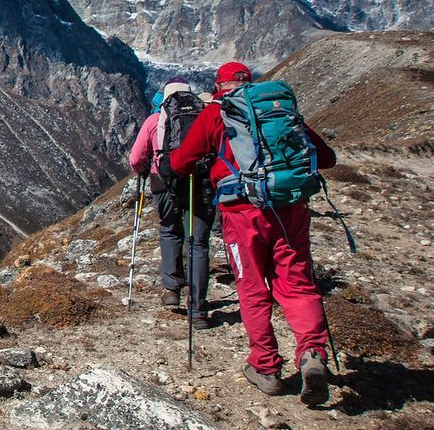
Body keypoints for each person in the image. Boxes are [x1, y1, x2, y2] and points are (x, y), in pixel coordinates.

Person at [170, 61, 338, 404]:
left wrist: (209, 164)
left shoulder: (218, 112)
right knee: (298, 283)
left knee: (251, 285)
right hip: (290, 209)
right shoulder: (275, 109)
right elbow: (326, 157)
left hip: (242, 214)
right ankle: (312, 353)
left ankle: (266, 367)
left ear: (219, 84)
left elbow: (180, 163)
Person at [127, 77, 216, 328]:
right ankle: (198, 308)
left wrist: (146, 168)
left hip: (163, 183)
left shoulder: (155, 120)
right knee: (198, 243)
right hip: (199, 183)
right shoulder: (205, 116)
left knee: (169, 231)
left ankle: (171, 291)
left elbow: (135, 159)